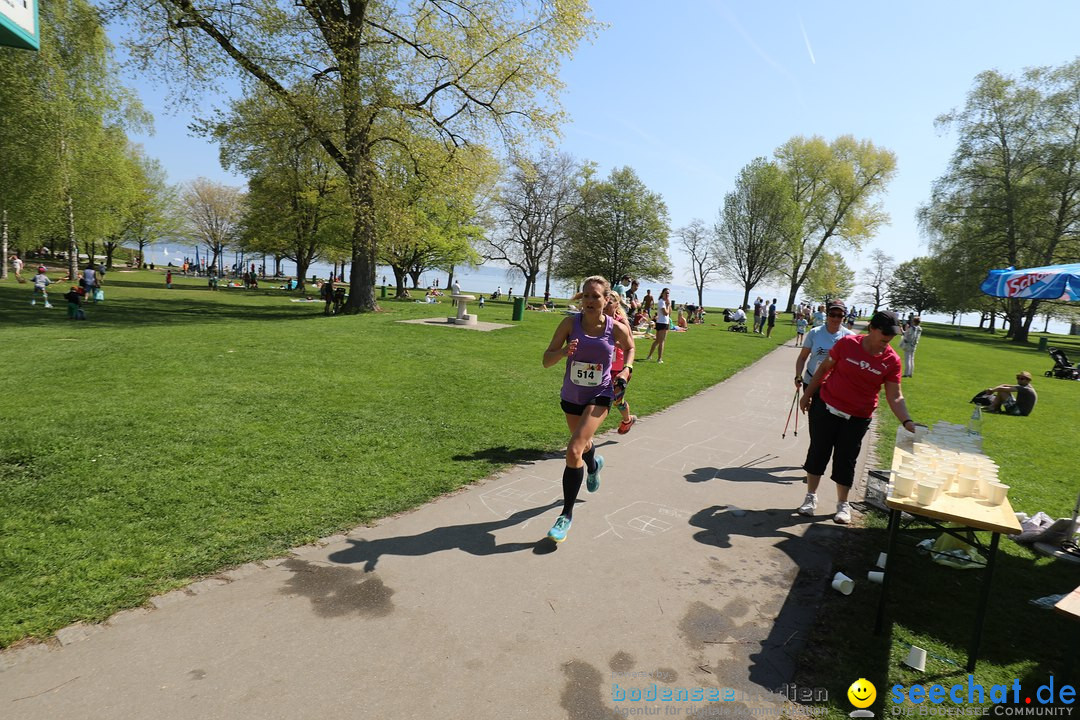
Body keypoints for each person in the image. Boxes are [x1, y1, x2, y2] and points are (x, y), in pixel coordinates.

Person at [797, 311, 917, 524]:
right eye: (883, 337)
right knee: (818, 451)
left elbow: (895, 395)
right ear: (872, 328)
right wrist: (807, 395)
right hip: (826, 407)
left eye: (890, 338)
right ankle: (810, 497)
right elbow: (824, 369)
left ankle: (843, 504)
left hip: (857, 417)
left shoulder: (892, 361)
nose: (886, 342)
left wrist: (906, 421)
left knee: (846, 459)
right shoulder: (847, 345)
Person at [542, 275, 635, 543]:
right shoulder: (569, 324)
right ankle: (594, 465)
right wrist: (562, 353)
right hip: (572, 395)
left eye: (596, 296)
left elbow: (629, 348)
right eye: (586, 296)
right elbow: (546, 360)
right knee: (583, 447)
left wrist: (626, 371)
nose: (590, 301)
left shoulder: (614, 328)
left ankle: (565, 516)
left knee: (573, 450)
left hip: (601, 394)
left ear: (607, 300)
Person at [795, 300, 855, 388]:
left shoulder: (850, 337)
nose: (835, 318)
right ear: (827, 315)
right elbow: (802, 357)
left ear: (844, 317)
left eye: (839, 315)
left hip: (835, 385)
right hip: (811, 381)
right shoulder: (814, 332)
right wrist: (798, 376)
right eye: (832, 314)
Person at [604, 292, 638, 435]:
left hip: (619, 369)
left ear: (617, 305)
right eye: (605, 302)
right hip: (603, 366)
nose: (606, 306)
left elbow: (631, 345)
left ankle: (627, 420)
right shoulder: (599, 320)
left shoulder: (622, 322)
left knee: (617, 400)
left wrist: (615, 343)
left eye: (610, 303)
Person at [643, 288, 672, 363]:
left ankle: (649, 356)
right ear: (662, 293)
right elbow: (665, 313)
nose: (667, 295)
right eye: (666, 293)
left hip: (662, 322)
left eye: (668, 293)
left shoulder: (665, 302)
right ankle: (659, 359)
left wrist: (668, 304)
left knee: (657, 341)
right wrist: (668, 305)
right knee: (661, 341)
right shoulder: (662, 302)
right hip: (662, 323)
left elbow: (669, 313)